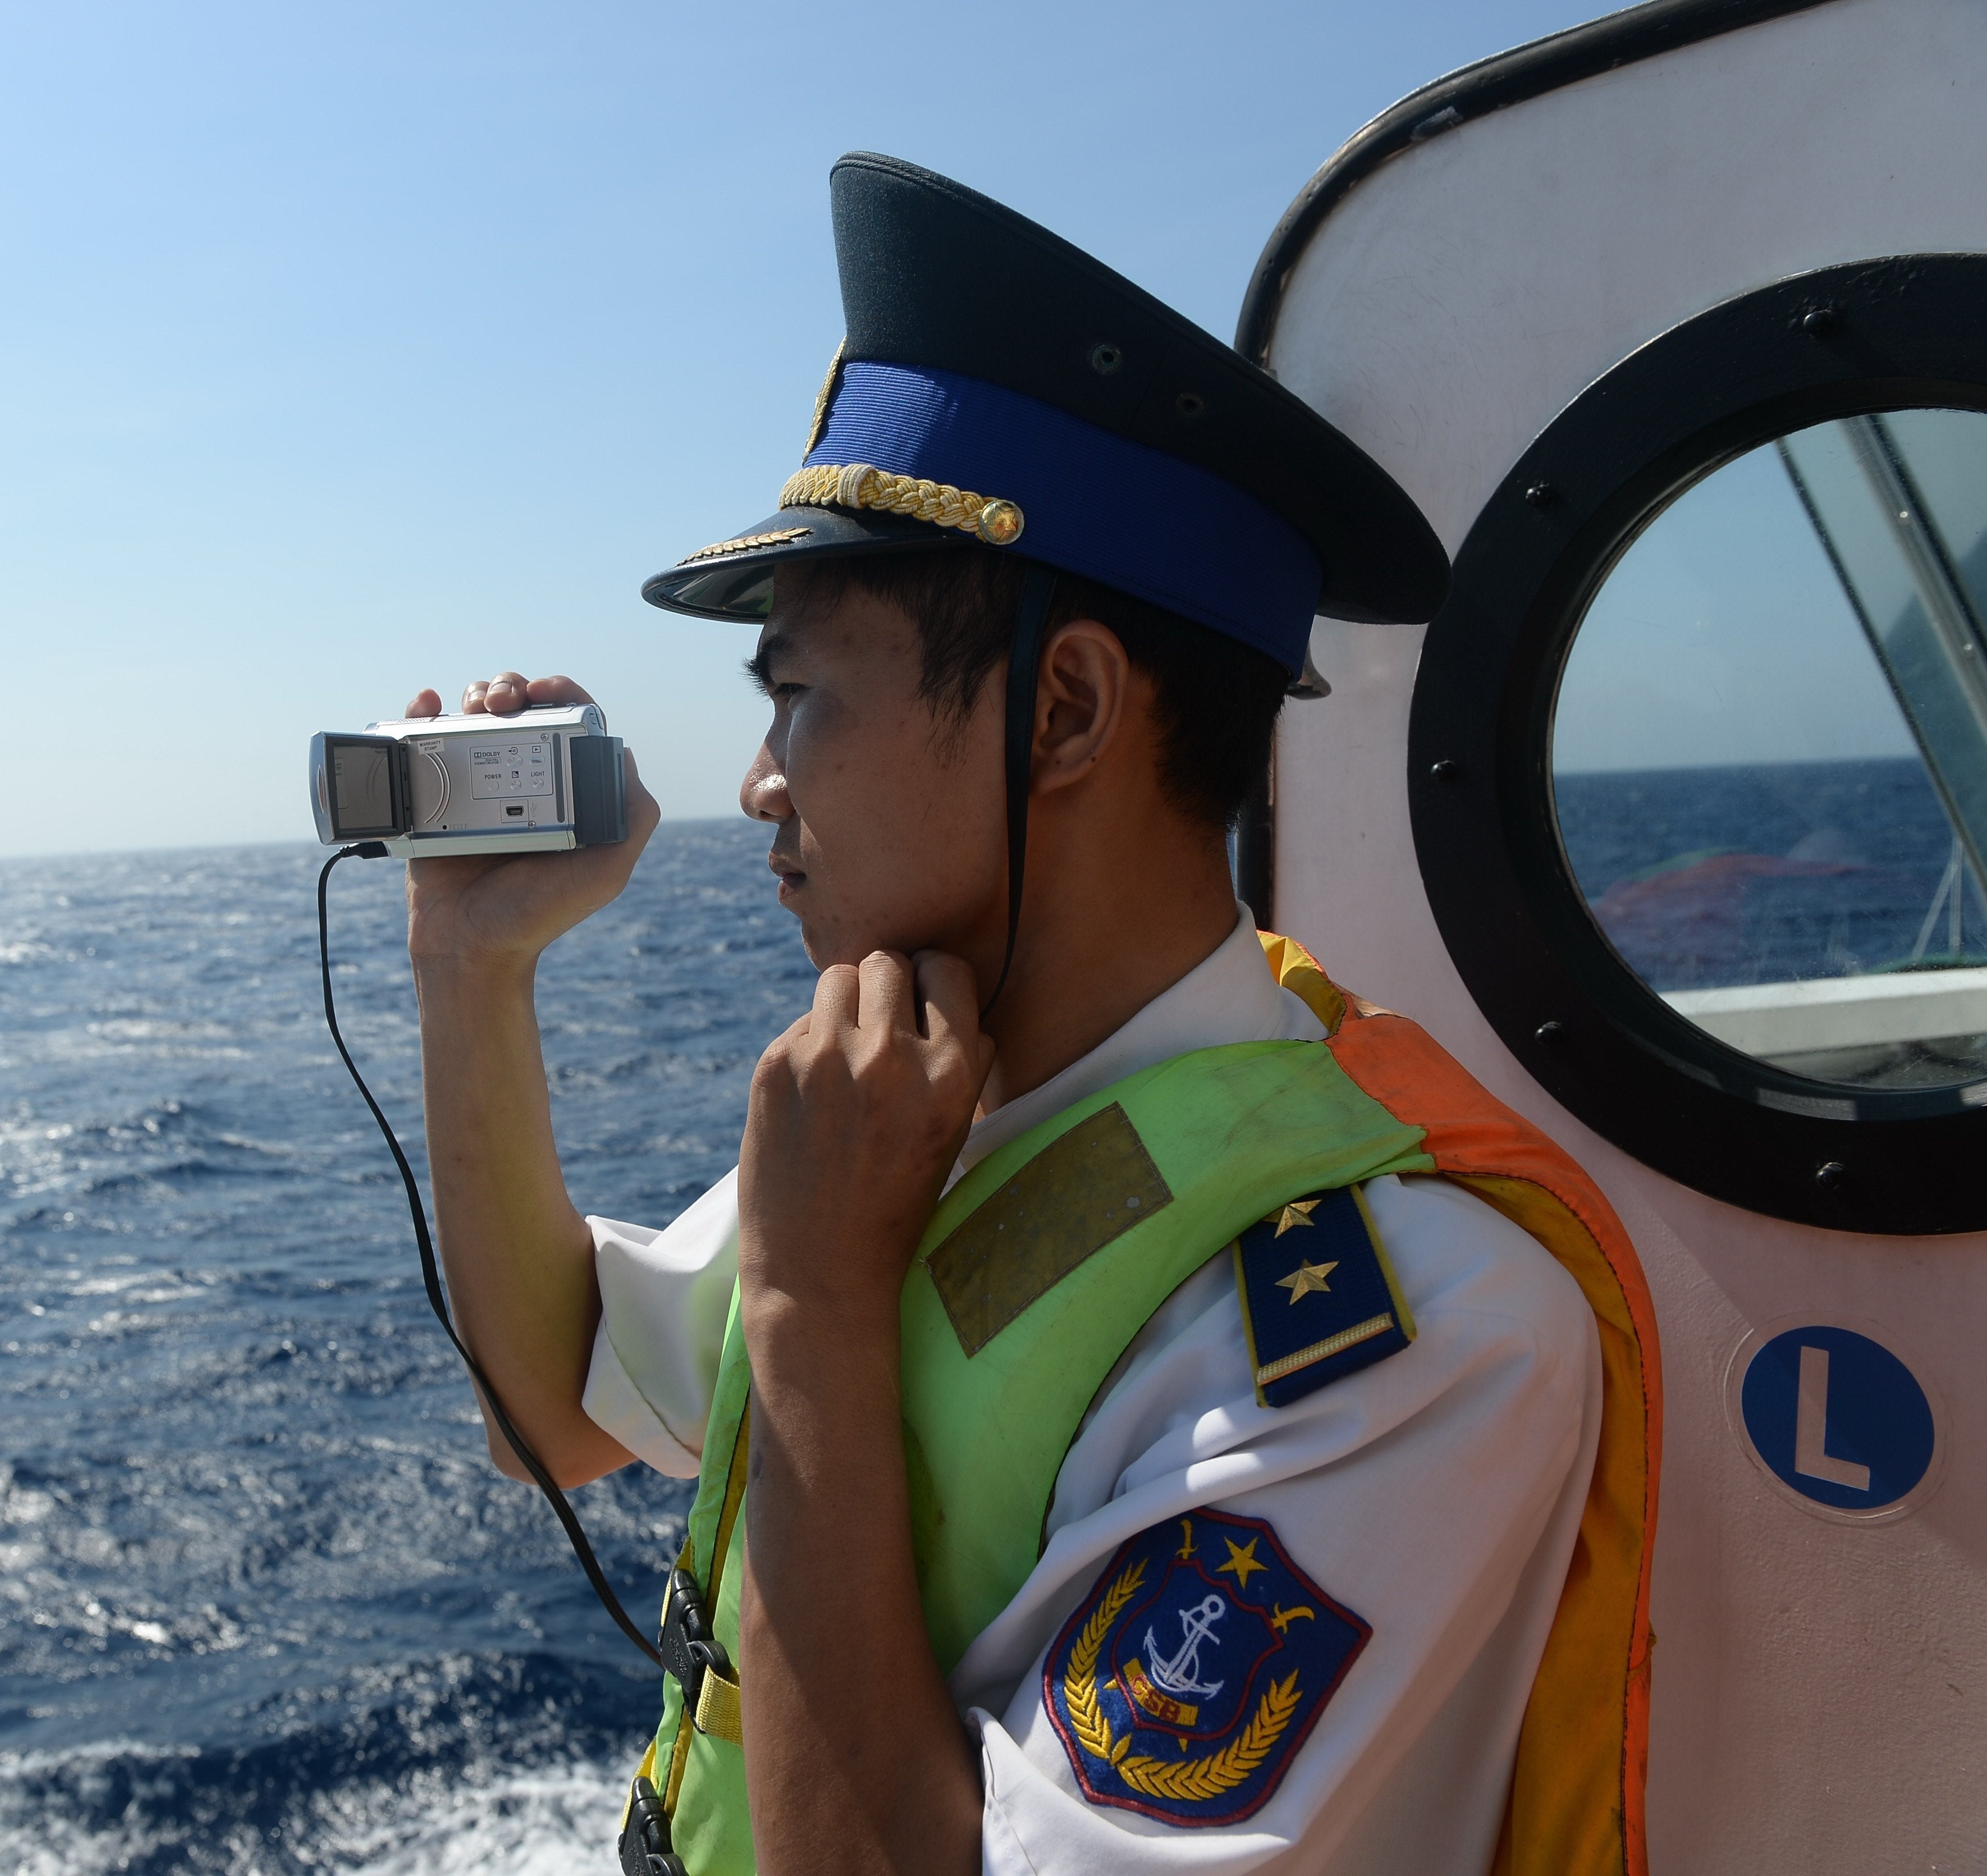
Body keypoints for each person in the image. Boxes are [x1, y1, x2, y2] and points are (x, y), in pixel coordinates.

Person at [400, 155, 1659, 1876]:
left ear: (1063, 711)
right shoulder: (950, 1127)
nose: (761, 785)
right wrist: (473, 969)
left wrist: (814, 1312)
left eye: (804, 701)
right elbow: (549, 1410)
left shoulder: (1418, 1333)